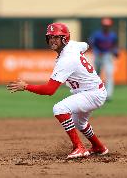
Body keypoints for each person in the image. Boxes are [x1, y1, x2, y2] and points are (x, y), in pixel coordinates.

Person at [6, 23, 108, 159]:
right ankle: (99, 147)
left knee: (59, 108)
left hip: (92, 93)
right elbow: (85, 45)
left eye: (56, 37)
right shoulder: (73, 46)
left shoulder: (66, 59)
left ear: (64, 39)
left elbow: (49, 90)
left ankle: (79, 147)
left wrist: (25, 86)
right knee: (79, 122)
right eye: (50, 37)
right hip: (91, 91)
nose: (52, 40)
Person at [89, 18, 118, 101]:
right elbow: (91, 43)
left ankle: (108, 95)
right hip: (98, 55)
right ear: (102, 26)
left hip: (107, 56)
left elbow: (114, 45)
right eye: (105, 25)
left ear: (110, 26)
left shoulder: (112, 35)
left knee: (109, 75)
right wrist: (96, 50)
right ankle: (95, 93)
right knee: (95, 75)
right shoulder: (97, 34)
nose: (106, 27)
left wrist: (115, 51)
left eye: (108, 26)